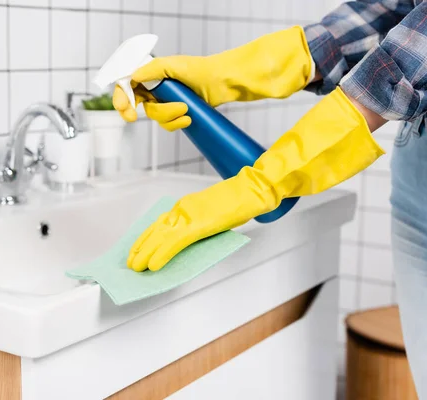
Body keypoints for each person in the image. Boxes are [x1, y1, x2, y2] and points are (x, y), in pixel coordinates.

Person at [112, 0, 427, 395]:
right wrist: (221, 74)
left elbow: (405, 63)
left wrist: (266, 182)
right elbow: (382, 16)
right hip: (416, 179)